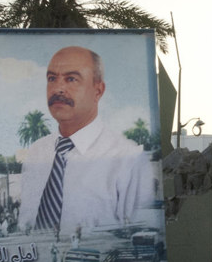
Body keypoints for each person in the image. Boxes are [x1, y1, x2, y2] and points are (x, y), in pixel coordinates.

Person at [17, 46, 154, 236]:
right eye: (51, 79)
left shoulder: (127, 159)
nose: (58, 88)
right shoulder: (36, 153)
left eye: (71, 79)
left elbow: (136, 235)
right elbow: (25, 225)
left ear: (98, 90)